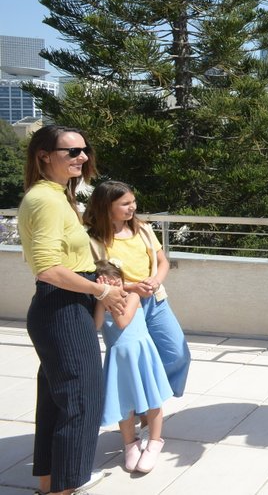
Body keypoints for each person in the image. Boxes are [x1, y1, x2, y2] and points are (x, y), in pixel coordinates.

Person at [18, 124, 126, 495]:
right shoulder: (46, 200)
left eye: (84, 150)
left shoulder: (55, 196)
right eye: (71, 152)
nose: (82, 157)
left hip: (62, 307)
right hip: (61, 307)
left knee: (57, 401)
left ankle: (50, 484)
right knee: (82, 402)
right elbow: (48, 268)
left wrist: (95, 281)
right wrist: (101, 292)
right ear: (44, 156)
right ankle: (64, 488)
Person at [84, 180, 191, 436]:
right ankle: (146, 411)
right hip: (122, 302)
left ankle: (151, 401)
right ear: (106, 206)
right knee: (133, 360)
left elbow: (163, 261)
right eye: (125, 204)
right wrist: (133, 287)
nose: (132, 207)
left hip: (154, 300)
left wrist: (155, 281)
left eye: (133, 202)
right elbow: (98, 278)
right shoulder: (92, 240)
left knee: (177, 353)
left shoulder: (142, 229)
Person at [93, 260, 173, 473]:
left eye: (117, 282)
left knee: (152, 401)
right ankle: (130, 444)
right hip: (118, 360)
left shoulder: (134, 296)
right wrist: (101, 300)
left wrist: (107, 296)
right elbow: (96, 326)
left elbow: (122, 321)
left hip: (141, 355)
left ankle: (155, 442)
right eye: (108, 284)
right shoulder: (103, 303)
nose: (114, 287)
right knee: (124, 405)